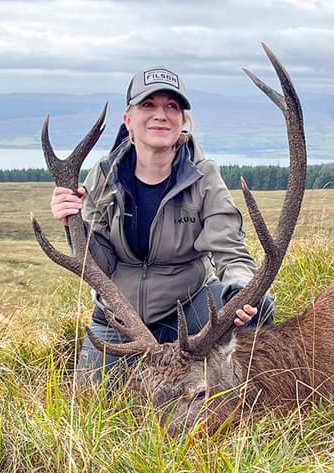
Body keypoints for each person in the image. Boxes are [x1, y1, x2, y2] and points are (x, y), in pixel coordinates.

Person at [50, 66, 275, 383]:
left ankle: (240, 398)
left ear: (183, 120)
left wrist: (241, 287)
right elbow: (100, 264)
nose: (161, 115)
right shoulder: (103, 175)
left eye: (172, 106)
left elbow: (231, 250)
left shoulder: (203, 175)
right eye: (148, 105)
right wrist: (74, 224)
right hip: (120, 319)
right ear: (128, 120)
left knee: (258, 309)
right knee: (93, 397)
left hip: (190, 310)